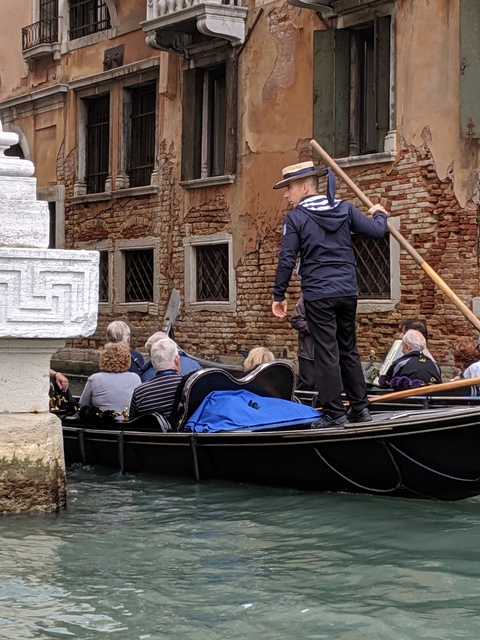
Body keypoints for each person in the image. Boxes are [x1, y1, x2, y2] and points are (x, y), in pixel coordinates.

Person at [271, 160, 388, 428]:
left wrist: (279, 295)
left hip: (319, 293)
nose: (287, 195)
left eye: (289, 188)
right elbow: (377, 230)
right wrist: (379, 213)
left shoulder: (296, 218)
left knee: (326, 353)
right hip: (348, 290)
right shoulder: (344, 208)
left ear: (303, 187)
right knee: (348, 350)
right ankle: (361, 409)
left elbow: (287, 259)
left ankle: (334, 413)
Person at [79, 342, 141, 420]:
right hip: (127, 425)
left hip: (102, 425)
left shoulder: (95, 379)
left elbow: (83, 405)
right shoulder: (135, 378)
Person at [129, 337, 183, 422]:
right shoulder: (189, 386)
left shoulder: (139, 392)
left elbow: (132, 421)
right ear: (177, 360)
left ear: (153, 363)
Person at [291, 296, 316, 391]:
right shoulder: (307, 297)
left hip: (331, 353)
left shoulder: (337, 296)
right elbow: (296, 321)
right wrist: (316, 328)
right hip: (308, 352)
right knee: (308, 383)